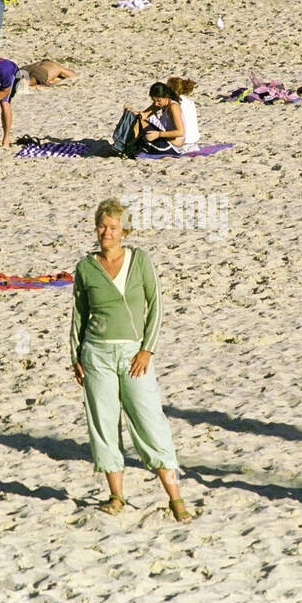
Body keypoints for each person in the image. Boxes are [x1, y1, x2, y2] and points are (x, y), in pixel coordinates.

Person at [70, 198, 193, 523]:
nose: (106, 232)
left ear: (125, 230)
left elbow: (157, 306)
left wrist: (147, 350)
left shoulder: (140, 261)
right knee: (104, 424)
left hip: (133, 354)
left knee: (151, 421)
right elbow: (79, 316)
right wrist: (76, 356)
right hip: (96, 354)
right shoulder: (85, 267)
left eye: (112, 227)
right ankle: (116, 496)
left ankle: (176, 499)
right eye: (101, 225)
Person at [125, 82, 185, 155]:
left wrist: (159, 134)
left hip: (173, 147)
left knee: (139, 124)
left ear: (166, 96)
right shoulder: (161, 103)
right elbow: (144, 115)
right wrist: (131, 111)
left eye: (158, 100)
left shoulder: (173, 107)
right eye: (154, 100)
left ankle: (128, 148)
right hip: (165, 140)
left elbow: (180, 132)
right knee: (138, 120)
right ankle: (128, 146)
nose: (156, 103)